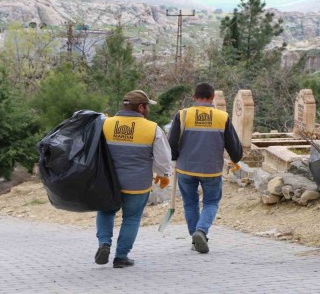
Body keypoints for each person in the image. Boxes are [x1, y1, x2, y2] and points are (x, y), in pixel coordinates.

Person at [95, 90, 173, 268]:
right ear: (141, 107)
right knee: (131, 218)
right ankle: (121, 257)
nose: (148, 110)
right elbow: (163, 159)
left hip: (109, 184)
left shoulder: (105, 124)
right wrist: (163, 175)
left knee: (106, 212)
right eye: (147, 106)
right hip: (137, 186)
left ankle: (104, 244)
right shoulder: (152, 128)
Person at [168, 83, 243, 254]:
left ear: (194, 97)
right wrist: (236, 158)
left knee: (190, 203)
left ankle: (195, 238)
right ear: (212, 98)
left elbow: (171, 143)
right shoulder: (221, 117)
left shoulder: (182, 115)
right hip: (212, 170)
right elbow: (234, 148)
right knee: (211, 202)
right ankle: (201, 231)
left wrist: (174, 159)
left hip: (186, 169)